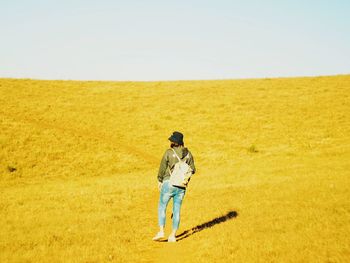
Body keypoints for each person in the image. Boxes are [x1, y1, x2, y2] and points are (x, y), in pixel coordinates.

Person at [152, 131, 196, 242]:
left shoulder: (169, 152)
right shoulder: (189, 154)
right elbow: (193, 170)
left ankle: (161, 231)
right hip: (181, 186)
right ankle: (173, 235)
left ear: (174, 142)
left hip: (169, 183)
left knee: (162, 206)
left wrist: (159, 180)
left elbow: (162, 167)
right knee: (176, 210)